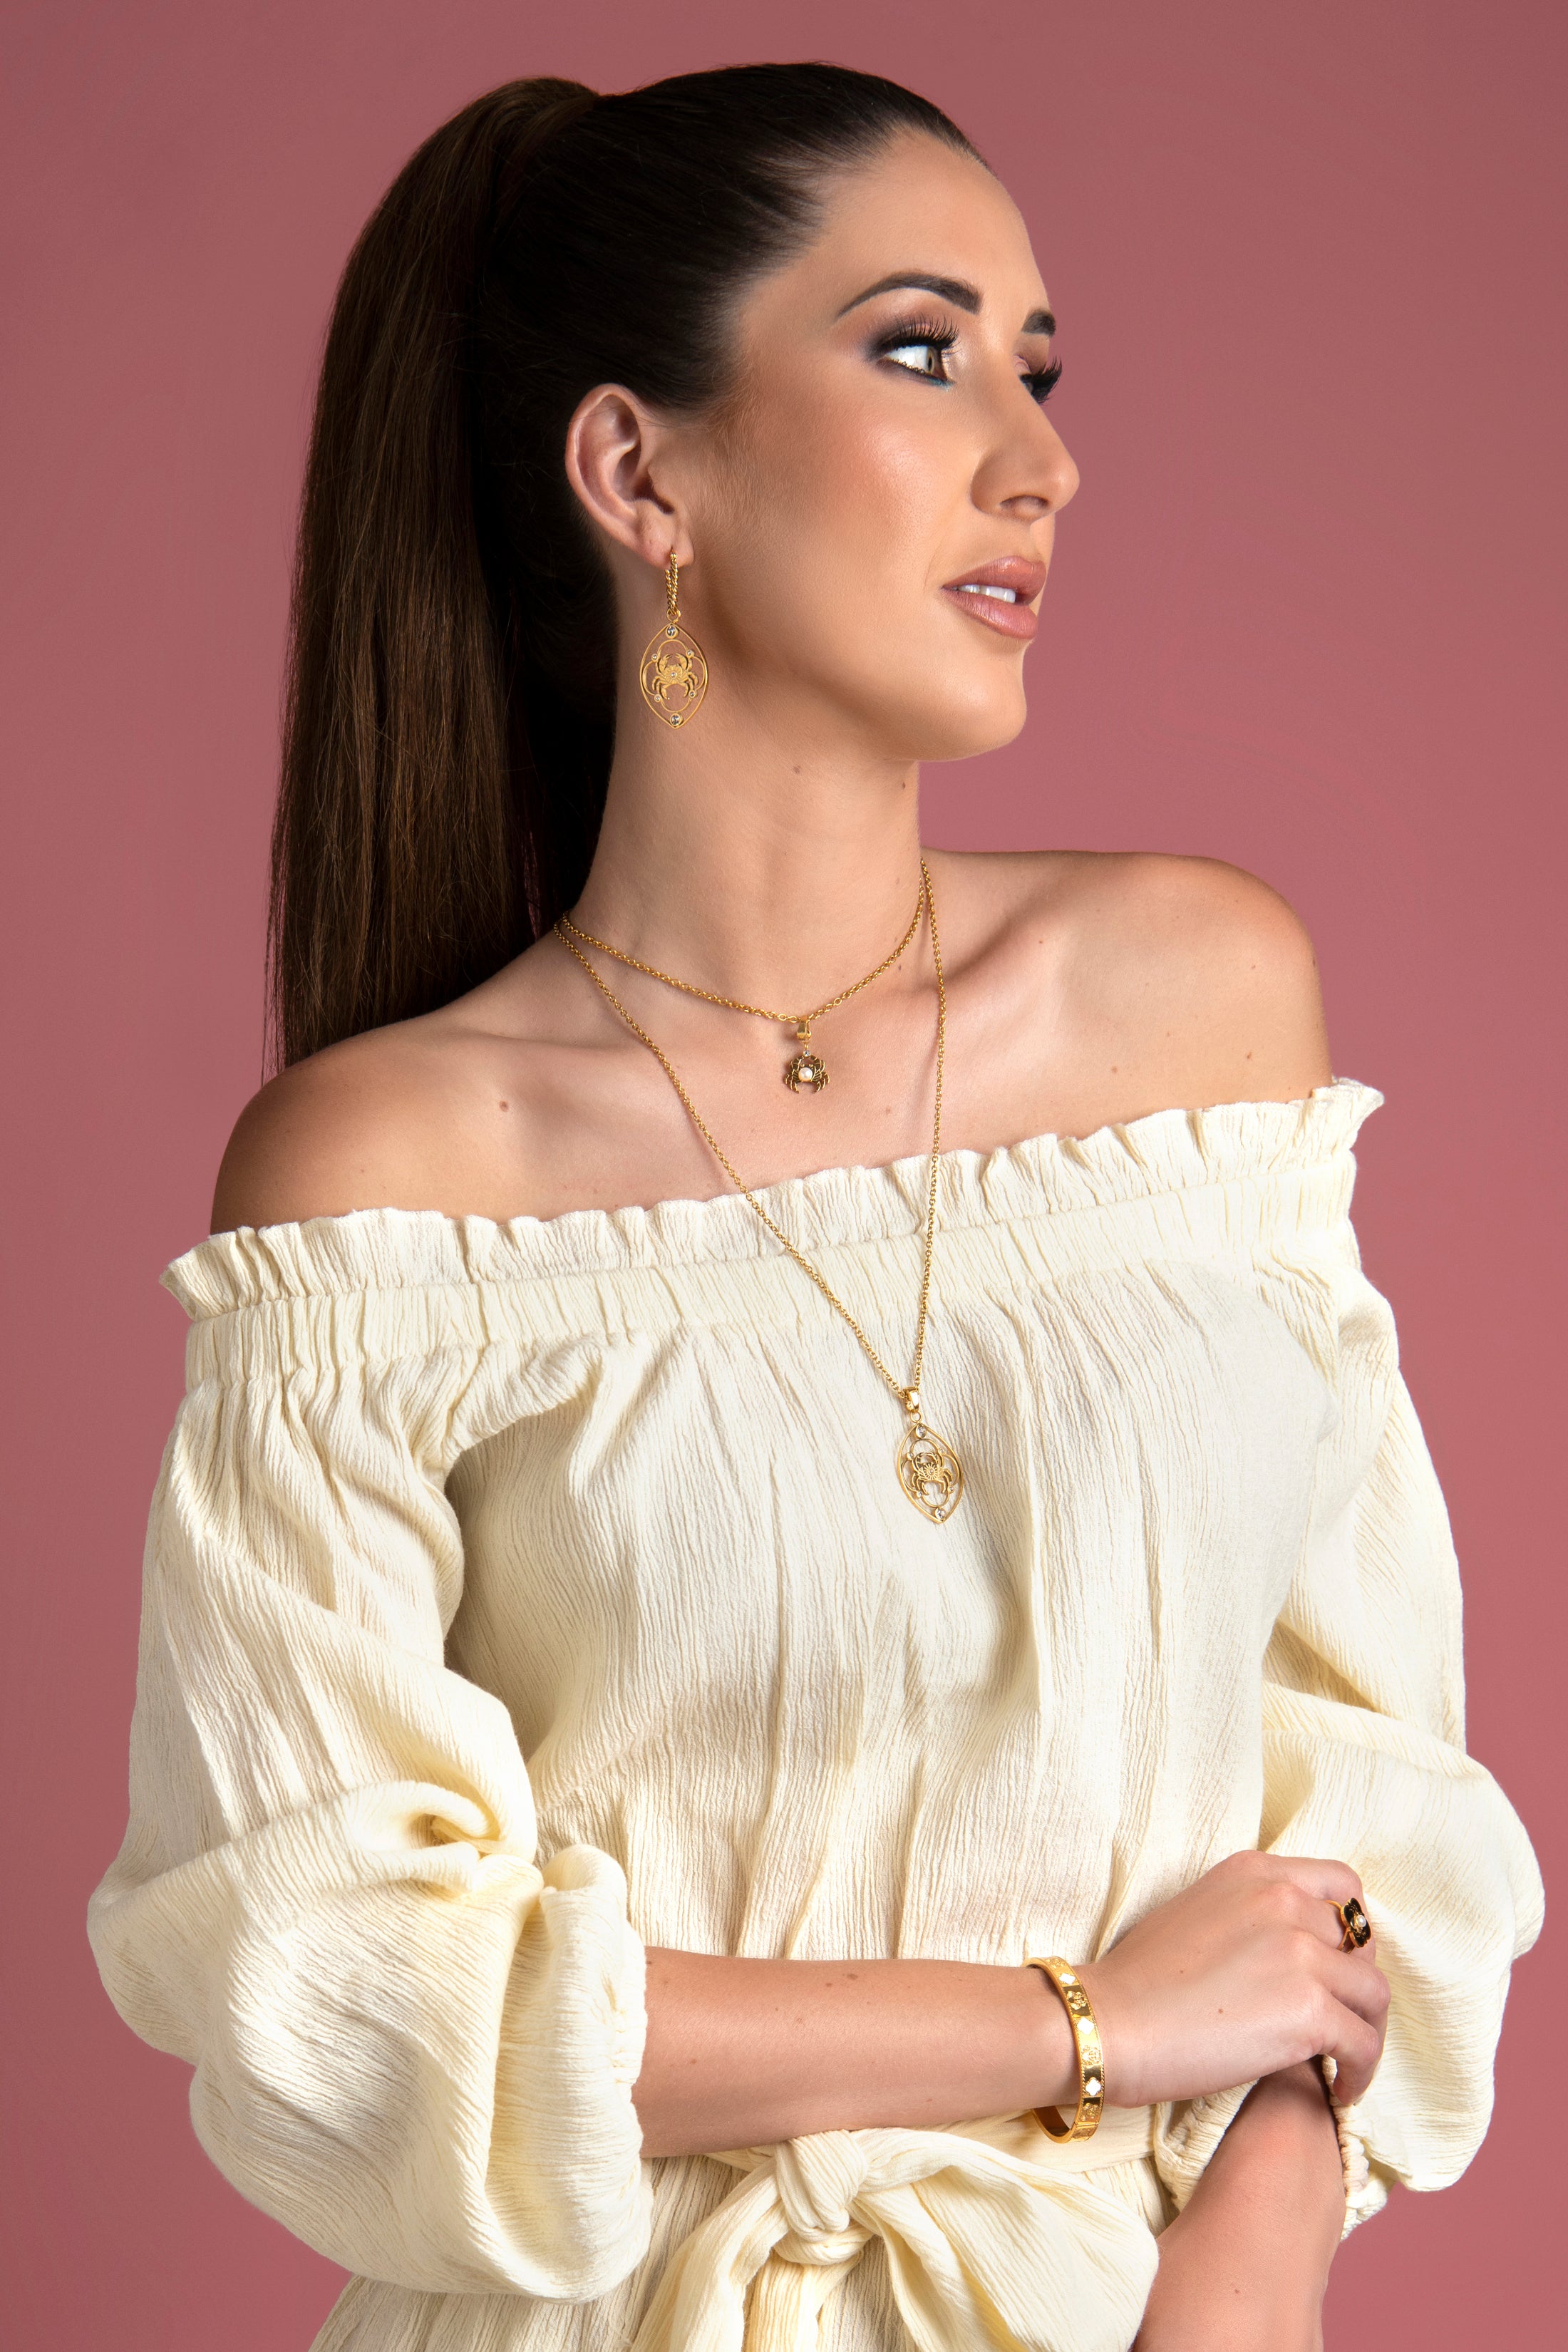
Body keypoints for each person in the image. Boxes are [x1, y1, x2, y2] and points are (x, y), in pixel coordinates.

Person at [87, 61, 1542, 2352]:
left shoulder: (1197, 1010)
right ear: (637, 473)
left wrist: (1250, 2267)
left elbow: (1370, 1788)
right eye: (921, 350)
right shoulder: (388, 1185)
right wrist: (1082, 2023)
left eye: (1042, 370)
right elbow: (340, 1970)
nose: (1040, 459)